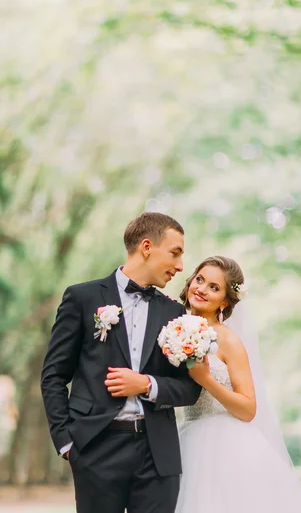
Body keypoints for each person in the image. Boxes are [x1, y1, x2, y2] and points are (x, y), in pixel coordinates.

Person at [41, 212, 201, 513]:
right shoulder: (82, 298)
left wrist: (148, 384)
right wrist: (66, 443)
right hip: (96, 448)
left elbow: (191, 389)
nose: (180, 267)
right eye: (175, 253)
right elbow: (53, 376)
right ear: (146, 246)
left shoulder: (176, 313)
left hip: (158, 453)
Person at [175, 255, 301, 513]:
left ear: (226, 301)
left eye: (214, 287)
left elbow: (248, 408)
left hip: (224, 446)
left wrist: (206, 380)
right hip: (184, 437)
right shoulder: (173, 329)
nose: (202, 289)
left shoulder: (229, 341)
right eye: (200, 279)